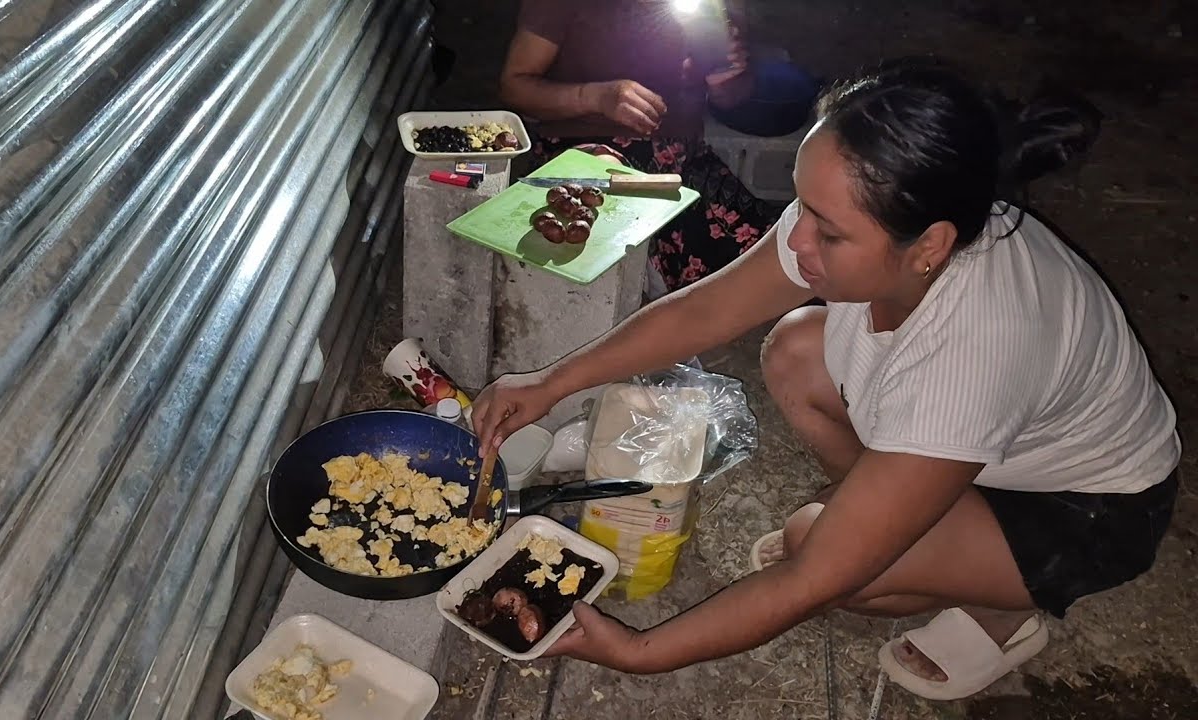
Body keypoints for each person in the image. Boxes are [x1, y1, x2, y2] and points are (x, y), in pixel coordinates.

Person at [471, 59, 1181, 700]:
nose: (796, 240)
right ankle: (910, 511)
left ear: (929, 246)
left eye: (829, 232)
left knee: (820, 551)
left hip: (1086, 509)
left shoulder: (975, 349)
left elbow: (809, 584)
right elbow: (711, 308)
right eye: (803, 207)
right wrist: (550, 382)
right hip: (990, 440)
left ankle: (1005, 607)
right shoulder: (910, 216)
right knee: (795, 353)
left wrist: (642, 651)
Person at [500, 0, 782, 295]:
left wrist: (727, 80)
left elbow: (733, 97)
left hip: (681, 162)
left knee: (768, 261)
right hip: (585, 152)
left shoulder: (712, 7)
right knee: (598, 261)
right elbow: (514, 86)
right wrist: (595, 97)